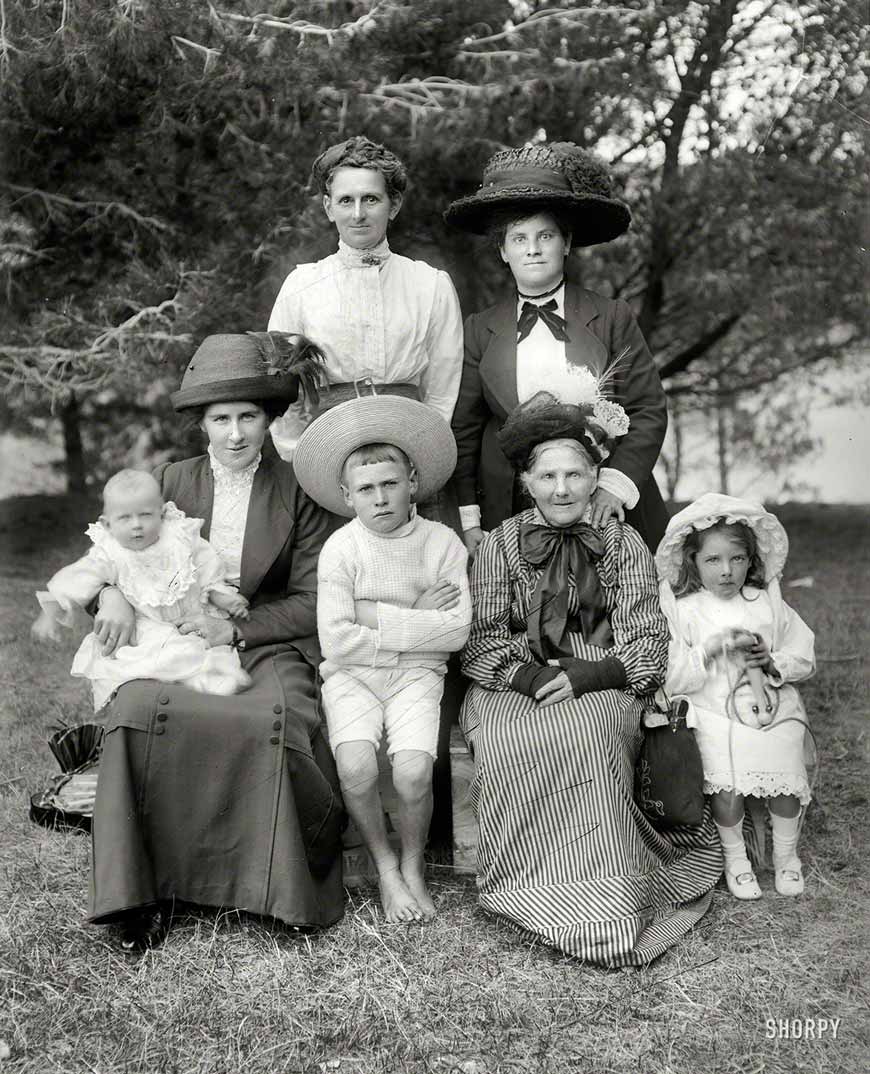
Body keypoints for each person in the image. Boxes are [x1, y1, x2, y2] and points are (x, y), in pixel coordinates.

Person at [85, 332, 346, 952]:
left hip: (265, 644)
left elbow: (312, 599)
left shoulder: (300, 489)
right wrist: (113, 594)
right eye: (220, 418)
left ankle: (274, 888)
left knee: (270, 719)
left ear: (269, 418)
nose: (235, 433)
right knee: (139, 713)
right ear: (201, 422)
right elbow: (111, 549)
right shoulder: (172, 479)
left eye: (248, 416)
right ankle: (140, 890)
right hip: (171, 638)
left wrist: (237, 627)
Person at [460, 388, 722, 966]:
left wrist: (593, 673)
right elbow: (480, 639)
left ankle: (606, 901)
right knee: (511, 736)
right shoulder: (502, 544)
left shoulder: (622, 541)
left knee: (588, 734)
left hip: (604, 672)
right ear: (527, 481)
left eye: (575, 475)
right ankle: (527, 889)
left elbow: (648, 639)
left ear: (594, 474)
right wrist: (528, 677)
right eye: (548, 476)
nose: (561, 489)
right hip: (514, 674)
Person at [293, 395, 472, 923]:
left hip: (419, 675)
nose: (380, 498)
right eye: (366, 489)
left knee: (415, 771)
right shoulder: (341, 549)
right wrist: (416, 615)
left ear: (412, 482)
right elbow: (336, 642)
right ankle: (385, 865)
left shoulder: (442, 544)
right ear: (347, 496)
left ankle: (412, 865)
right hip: (352, 678)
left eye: (391, 483)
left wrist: (375, 615)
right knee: (355, 764)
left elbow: (456, 631)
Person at [445, 141, 669, 557]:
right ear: (503, 250)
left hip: (601, 498)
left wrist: (614, 488)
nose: (532, 248)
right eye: (519, 238)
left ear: (565, 244)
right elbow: (465, 430)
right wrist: (471, 518)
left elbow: (648, 411)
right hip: (510, 502)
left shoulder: (611, 317)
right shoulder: (479, 329)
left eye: (545, 236)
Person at [656, 493, 815, 899]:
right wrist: (707, 652)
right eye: (713, 561)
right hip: (714, 713)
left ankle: (785, 856)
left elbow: (803, 656)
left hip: (770, 710)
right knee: (727, 788)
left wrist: (774, 659)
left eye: (737, 559)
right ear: (693, 561)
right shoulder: (687, 610)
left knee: (783, 779)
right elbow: (672, 677)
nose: (727, 571)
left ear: (751, 560)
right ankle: (736, 860)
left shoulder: (767, 604)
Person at [268, 135, 464, 457]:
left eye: (371, 199)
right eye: (346, 201)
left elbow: (442, 388)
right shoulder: (301, 285)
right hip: (327, 448)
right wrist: (301, 455)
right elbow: (280, 385)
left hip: (408, 444)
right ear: (329, 207)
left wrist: (421, 451)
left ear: (394, 205)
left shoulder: (430, 284)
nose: (358, 213)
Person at [32, 470, 251, 710]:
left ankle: (211, 677)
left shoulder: (180, 537)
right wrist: (50, 613)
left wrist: (222, 596)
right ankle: (191, 681)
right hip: (148, 626)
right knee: (167, 652)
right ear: (108, 523)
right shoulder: (110, 553)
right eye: (125, 518)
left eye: (145, 515)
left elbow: (207, 565)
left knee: (209, 649)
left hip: (192, 618)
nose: (136, 525)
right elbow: (75, 579)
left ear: (163, 513)